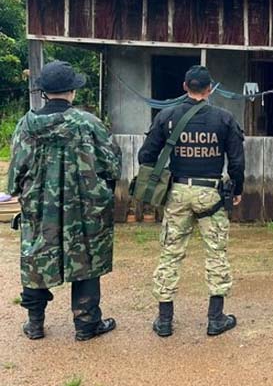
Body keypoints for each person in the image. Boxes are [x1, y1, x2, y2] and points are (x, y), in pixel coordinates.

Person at [7, 61, 121, 341]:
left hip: (38, 209)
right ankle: (86, 326)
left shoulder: (26, 126)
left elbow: (14, 176)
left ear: (44, 92)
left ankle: (35, 325)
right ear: (72, 91)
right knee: (86, 259)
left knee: (35, 260)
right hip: (84, 209)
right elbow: (112, 165)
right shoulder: (90, 124)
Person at [138, 65, 244, 337]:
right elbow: (236, 162)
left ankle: (164, 321)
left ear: (185, 86)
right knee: (216, 252)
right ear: (210, 89)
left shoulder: (167, 115)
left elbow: (145, 156)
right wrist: (238, 189)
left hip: (178, 191)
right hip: (211, 193)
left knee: (170, 253)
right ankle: (215, 318)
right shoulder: (224, 118)